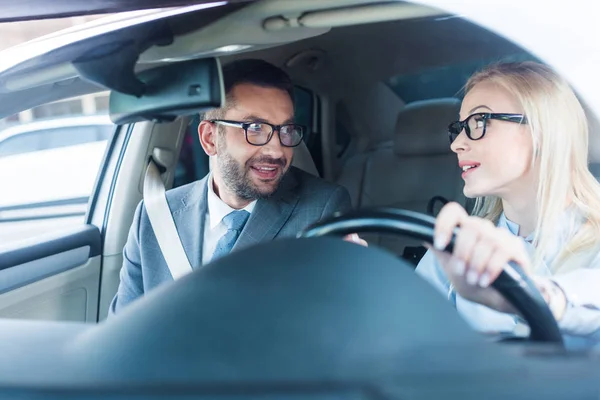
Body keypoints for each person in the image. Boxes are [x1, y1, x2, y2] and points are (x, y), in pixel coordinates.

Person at [110, 59, 365, 314]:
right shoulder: (155, 217)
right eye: (254, 128)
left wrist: (356, 287)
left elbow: (333, 324)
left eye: (286, 130)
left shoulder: (321, 207)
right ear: (210, 138)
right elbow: (121, 333)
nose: (277, 150)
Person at [416, 61, 600, 349]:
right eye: (460, 127)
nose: (457, 144)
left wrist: (531, 296)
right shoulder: (454, 250)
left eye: (479, 122)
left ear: (542, 130)